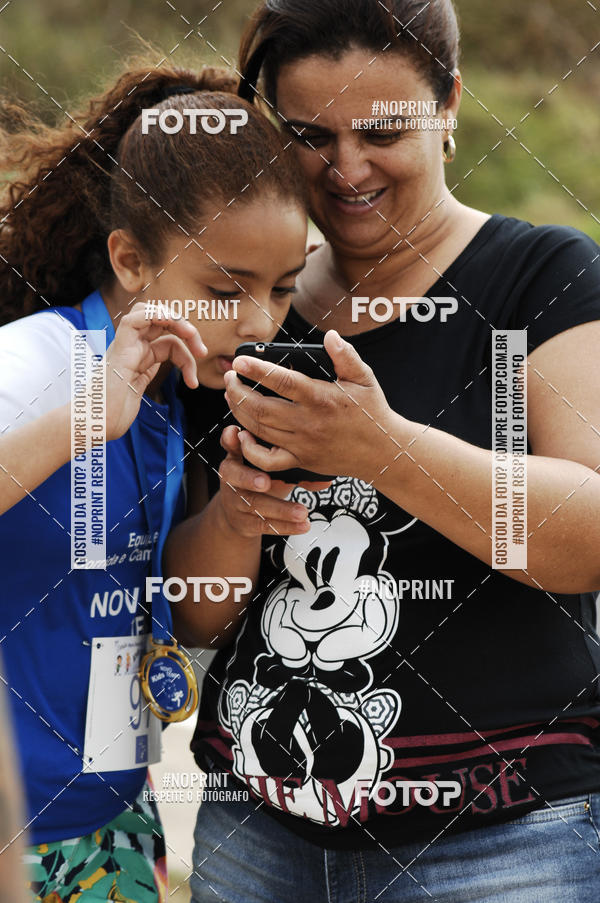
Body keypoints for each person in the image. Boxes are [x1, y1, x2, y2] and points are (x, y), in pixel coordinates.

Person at [167, 1, 600, 900]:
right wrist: (239, 512)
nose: (346, 167)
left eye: (381, 131)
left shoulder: (545, 277)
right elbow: (194, 616)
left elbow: (588, 535)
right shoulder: (245, 303)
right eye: (310, 135)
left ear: (448, 108)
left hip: (504, 846)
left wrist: (383, 448)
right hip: (253, 833)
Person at [0, 59, 309, 900]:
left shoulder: (184, 398)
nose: (257, 322)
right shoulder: (34, 361)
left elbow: (192, 618)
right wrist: (85, 421)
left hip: (116, 830)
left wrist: (241, 518)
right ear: (131, 260)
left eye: (283, 288)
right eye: (223, 287)